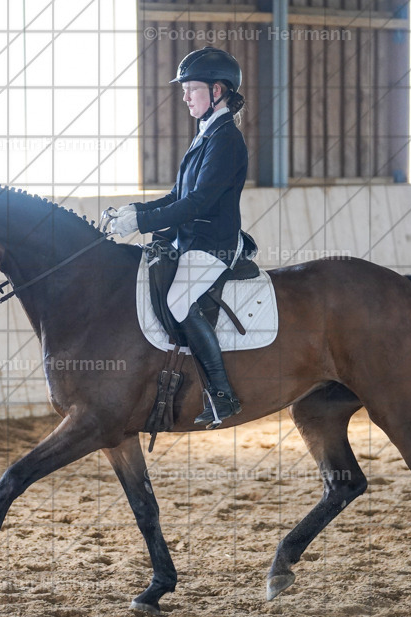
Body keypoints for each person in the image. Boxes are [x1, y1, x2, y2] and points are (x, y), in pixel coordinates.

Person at [108, 46, 248, 428]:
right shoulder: (207, 133)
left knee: (178, 300)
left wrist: (142, 221)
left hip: (212, 244)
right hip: (187, 241)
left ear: (217, 90)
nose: (184, 96)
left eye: (192, 89)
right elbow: (176, 197)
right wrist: (134, 211)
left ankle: (222, 395)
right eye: (184, 89)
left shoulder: (226, 139)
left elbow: (200, 202)